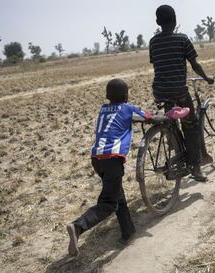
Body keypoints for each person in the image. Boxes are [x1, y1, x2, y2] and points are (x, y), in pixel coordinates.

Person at [66, 79, 162, 256]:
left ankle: (128, 232)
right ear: (126, 96)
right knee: (109, 203)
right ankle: (78, 226)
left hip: (97, 159)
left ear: (107, 96)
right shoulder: (128, 108)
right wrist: (167, 117)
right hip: (112, 159)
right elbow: (150, 118)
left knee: (118, 194)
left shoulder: (102, 110)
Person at [149, 5, 215, 182]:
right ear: (175, 19)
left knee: (171, 121)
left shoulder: (153, 42)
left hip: (160, 91)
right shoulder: (182, 39)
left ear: (157, 22)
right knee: (191, 126)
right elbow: (195, 65)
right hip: (179, 91)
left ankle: (176, 149)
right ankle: (195, 167)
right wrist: (207, 78)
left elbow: (157, 64)